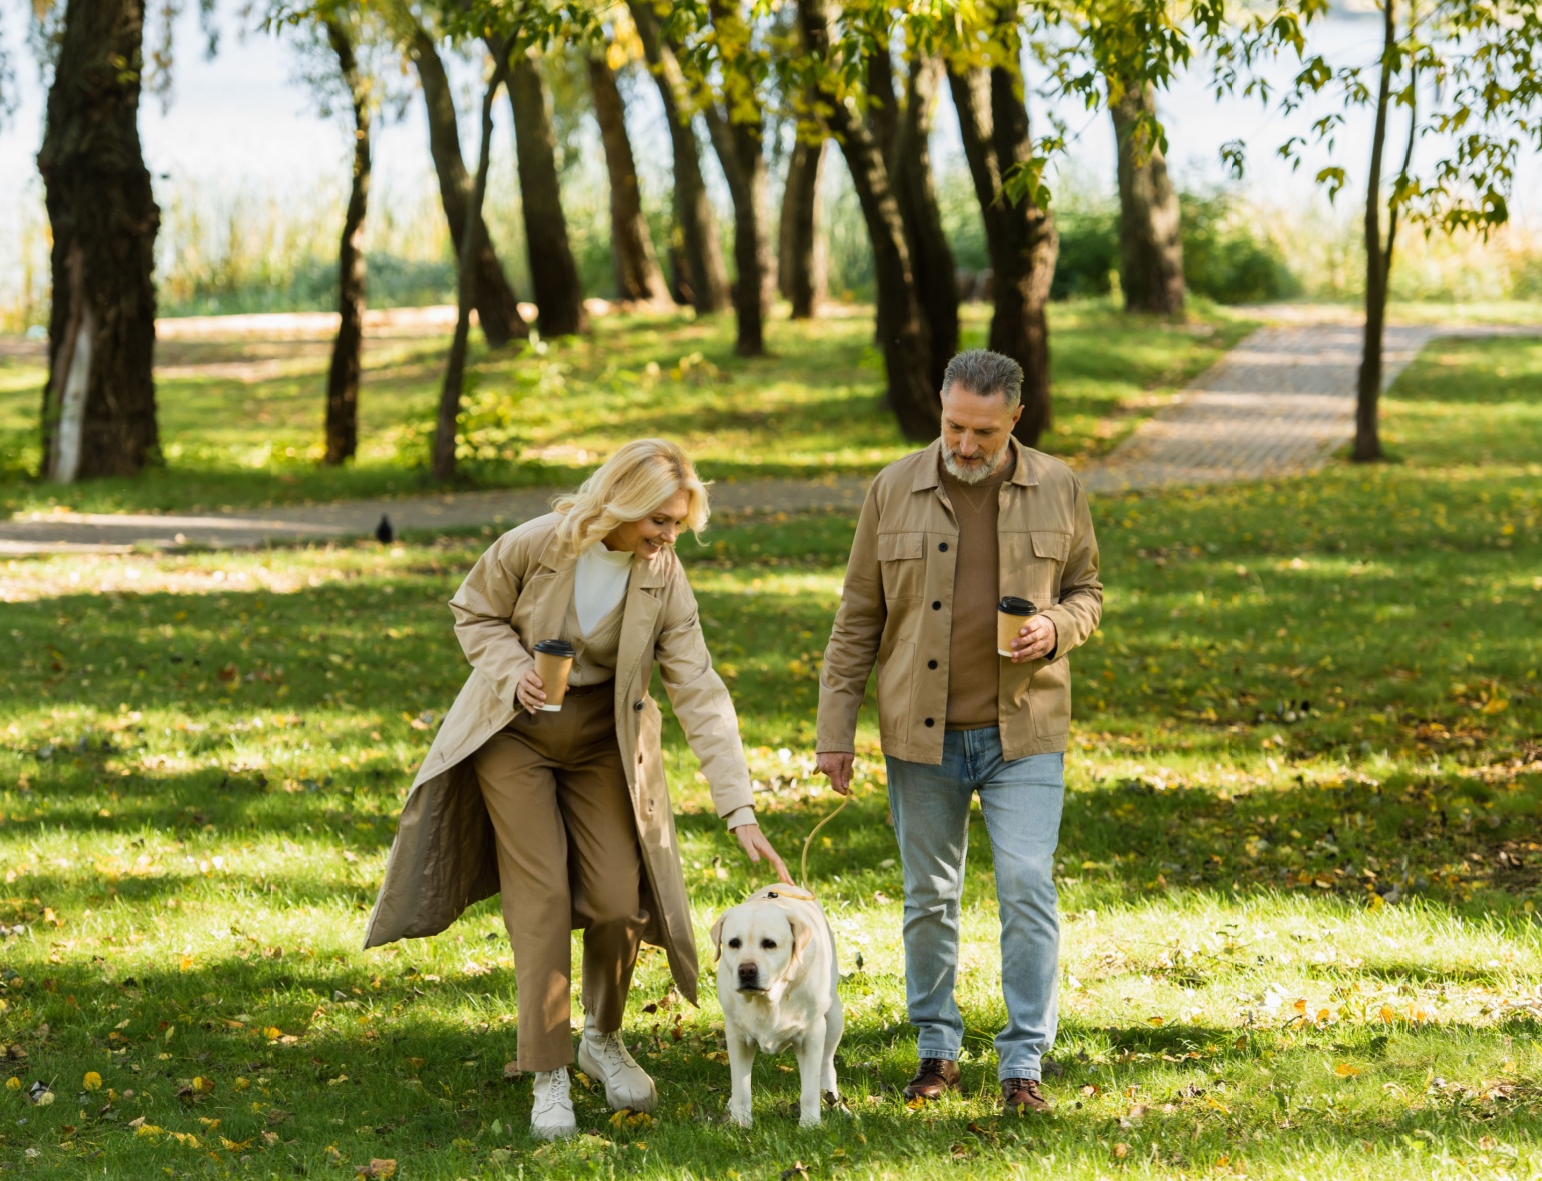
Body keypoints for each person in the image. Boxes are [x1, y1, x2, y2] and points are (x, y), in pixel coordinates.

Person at [365, 439, 790, 1140]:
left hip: (603, 741)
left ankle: (602, 1035)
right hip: (515, 735)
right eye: (659, 520)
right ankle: (548, 1068)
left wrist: (737, 805)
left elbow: (699, 687)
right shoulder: (536, 544)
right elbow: (472, 610)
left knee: (621, 900)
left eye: (678, 525)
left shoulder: (662, 574)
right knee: (542, 901)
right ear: (619, 502)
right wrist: (512, 669)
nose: (668, 537)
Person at [814, 349, 1102, 1115]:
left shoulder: (1060, 486)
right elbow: (856, 621)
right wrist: (833, 732)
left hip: (1026, 732)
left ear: (1016, 417)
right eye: (952, 426)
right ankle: (937, 1048)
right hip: (922, 734)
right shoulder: (892, 488)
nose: (964, 445)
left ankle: (1022, 1061)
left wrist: (1057, 625)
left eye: (982, 430)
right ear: (939, 409)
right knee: (930, 896)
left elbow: (1088, 590)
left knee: (1026, 886)